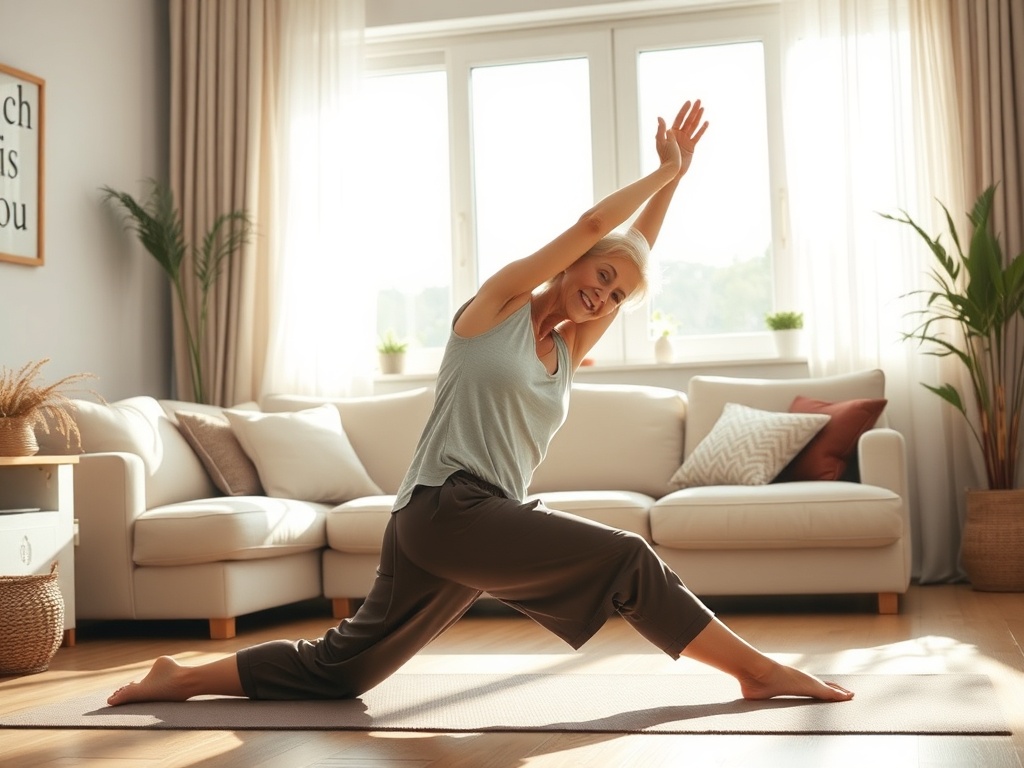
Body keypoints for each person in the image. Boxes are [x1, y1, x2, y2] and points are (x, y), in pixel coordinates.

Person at [108, 100, 853, 707]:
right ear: (569, 266)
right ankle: (757, 670)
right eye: (596, 276)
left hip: (462, 524)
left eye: (616, 292)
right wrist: (659, 171)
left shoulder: (566, 347)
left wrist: (678, 182)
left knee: (342, 671)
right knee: (628, 559)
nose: (603, 291)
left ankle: (183, 676)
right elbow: (598, 230)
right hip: (444, 509)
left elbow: (628, 253)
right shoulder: (494, 309)